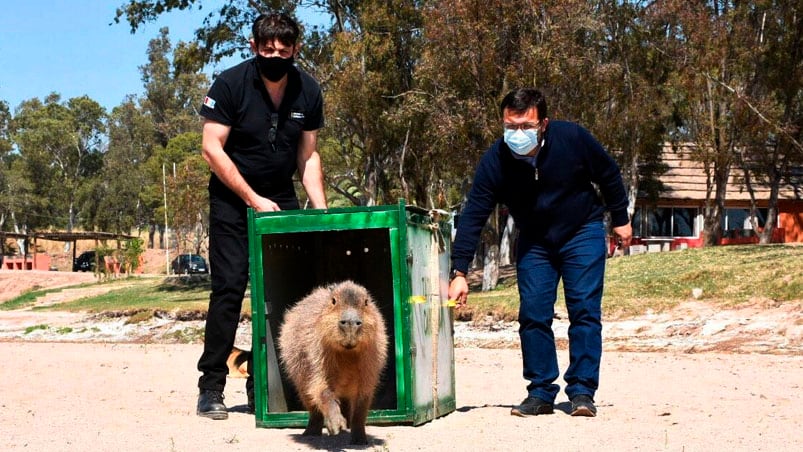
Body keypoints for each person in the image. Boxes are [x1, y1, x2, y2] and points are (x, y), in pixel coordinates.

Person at [448, 88, 632, 418]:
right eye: (510, 126)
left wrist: (621, 219)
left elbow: (608, 173)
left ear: (543, 124)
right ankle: (541, 392)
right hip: (534, 240)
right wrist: (459, 272)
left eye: (525, 126)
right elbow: (475, 212)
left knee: (584, 311)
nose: (517, 133)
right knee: (533, 313)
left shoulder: (572, 138)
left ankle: (582, 392)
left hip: (582, 230)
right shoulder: (496, 159)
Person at [196, 12, 327, 420]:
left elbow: (307, 156)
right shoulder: (230, 84)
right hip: (233, 200)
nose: (275, 56)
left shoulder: (308, 90)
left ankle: (264, 385)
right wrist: (251, 198)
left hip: (279, 198)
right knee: (230, 290)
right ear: (254, 47)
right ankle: (211, 387)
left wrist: (320, 214)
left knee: (283, 294)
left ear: (295, 50)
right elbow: (211, 149)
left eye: (283, 51)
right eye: (267, 49)